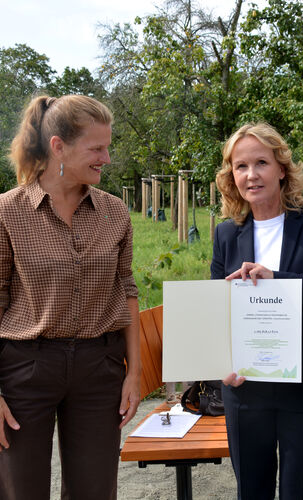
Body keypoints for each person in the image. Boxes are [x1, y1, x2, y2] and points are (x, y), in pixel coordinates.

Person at [0, 95, 141, 500]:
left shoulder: (115, 212)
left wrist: (134, 373)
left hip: (100, 369)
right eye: (97, 148)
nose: (107, 158)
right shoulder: (7, 212)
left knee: (95, 492)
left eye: (107, 147)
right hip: (26, 368)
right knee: (20, 490)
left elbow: (126, 289)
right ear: (58, 146)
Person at [211, 122, 303, 499]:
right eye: (240, 166)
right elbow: (217, 309)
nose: (251, 174)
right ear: (231, 176)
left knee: (302, 491)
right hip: (247, 390)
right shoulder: (226, 233)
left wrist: (279, 279)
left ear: (281, 168)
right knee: (253, 491)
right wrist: (218, 362)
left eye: (261, 162)